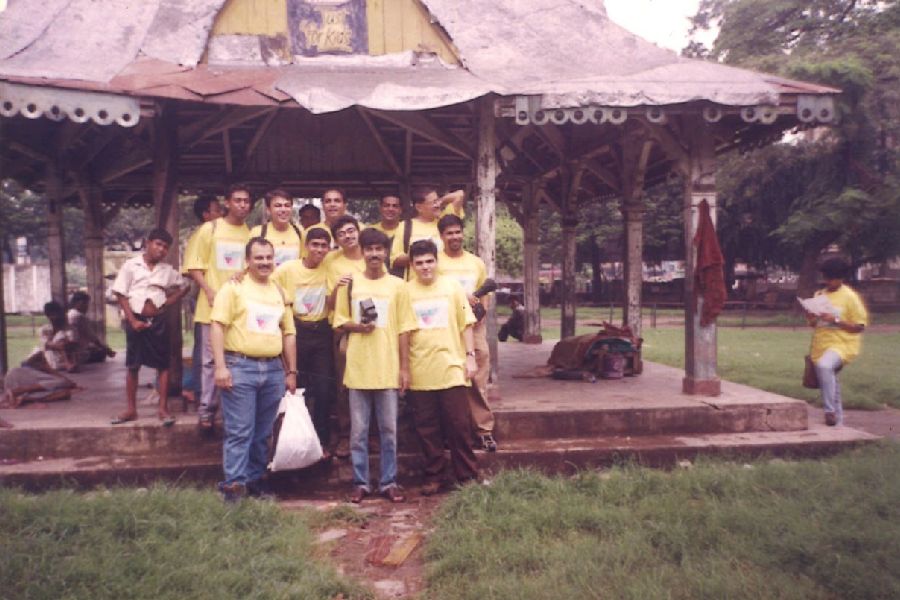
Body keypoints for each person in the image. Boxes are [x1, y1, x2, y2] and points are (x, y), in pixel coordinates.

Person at [211, 237, 297, 503]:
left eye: (268, 257)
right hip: (240, 367)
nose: (264, 262)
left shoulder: (279, 292)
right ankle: (233, 490)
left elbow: (289, 333)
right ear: (247, 261)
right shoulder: (233, 289)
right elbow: (217, 326)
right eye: (258, 258)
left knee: (263, 434)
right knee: (240, 432)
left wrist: (291, 371)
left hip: (272, 370)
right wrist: (220, 367)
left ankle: (256, 482)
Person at [398, 239, 479, 495]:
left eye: (429, 261)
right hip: (420, 369)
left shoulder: (452, 287)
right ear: (411, 265)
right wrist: (404, 369)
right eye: (419, 263)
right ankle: (434, 476)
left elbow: (467, 323)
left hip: (452, 367)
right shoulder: (405, 292)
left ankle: (467, 475)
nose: (425, 267)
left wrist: (470, 356)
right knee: (426, 428)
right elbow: (403, 333)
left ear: (437, 261)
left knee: (459, 425)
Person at [333, 228, 405, 503]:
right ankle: (360, 483)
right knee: (358, 433)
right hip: (358, 369)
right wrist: (358, 327)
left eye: (379, 249)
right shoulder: (351, 284)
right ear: (362, 252)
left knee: (389, 432)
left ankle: (389, 482)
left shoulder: (398, 286)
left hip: (388, 369)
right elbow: (339, 322)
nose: (374, 254)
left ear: (386, 252)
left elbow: (404, 330)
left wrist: (404, 368)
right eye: (369, 249)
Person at [185, 183, 253, 434]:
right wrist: (209, 290)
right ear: (227, 202)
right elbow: (194, 266)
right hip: (210, 308)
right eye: (237, 200)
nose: (242, 205)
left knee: (234, 359)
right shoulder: (209, 229)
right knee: (209, 361)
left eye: (246, 201)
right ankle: (206, 410)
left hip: (240, 311)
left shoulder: (250, 233)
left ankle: (230, 412)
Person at [110, 228, 190, 426]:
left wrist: (167, 302)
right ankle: (131, 409)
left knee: (162, 365)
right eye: (158, 244)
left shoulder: (167, 271)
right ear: (148, 243)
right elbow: (120, 293)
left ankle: (162, 409)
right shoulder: (131, 266)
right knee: (133, 365)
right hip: (135, 320)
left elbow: (184, 286)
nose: (161, 250)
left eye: (165, 247)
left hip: (158, 322)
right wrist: (132, 320)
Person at [272, 227, 335, 458]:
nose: (319, 250)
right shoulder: (288, 269)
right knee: (295, 387)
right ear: (306, 246)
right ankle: (292, 444)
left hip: (321, 332)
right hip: (296, 330)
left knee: (324, 389)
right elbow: (268, 282)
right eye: (315, 245)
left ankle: (321, 442)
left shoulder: (330, 268)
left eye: (323, 246)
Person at [436, 214, 497, 452]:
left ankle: (483, 430)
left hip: (475, 328)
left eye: (457, 232)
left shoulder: (476, 263)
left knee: (478, 379)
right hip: (446, 330)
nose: (454, 237)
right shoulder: (435, 262)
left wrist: (478, 315)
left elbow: (485, 297)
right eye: (449, 233)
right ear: (441, 236)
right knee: (449, 383)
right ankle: (452, 433)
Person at [803, 257, 868, 427]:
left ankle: (829, 410)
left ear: (841, 277)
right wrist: (811, 317)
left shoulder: (850, 297)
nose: (828, 282)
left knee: (825, 367)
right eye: (825, 278)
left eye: (831, 278)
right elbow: (814, 324)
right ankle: (838, 423)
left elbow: (859, 327)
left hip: (843, 344)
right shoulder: (819, 295)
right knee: (830, 379)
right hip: (821, 344)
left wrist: (836, 320)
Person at [323, 215, 368, 458]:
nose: (348, 236)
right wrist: (338, 287)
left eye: (351, 231)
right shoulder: (333, 262)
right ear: (337, 240)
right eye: (342, 234)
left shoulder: (372, 254)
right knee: (345, 383)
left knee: (374, 381)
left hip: (373, 329)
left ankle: (372, 435)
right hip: (344, 329)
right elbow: (329, 304)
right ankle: (345, 433)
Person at [183, 194, 223, 406]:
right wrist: (209, 288)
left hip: (222, 300)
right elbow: (191, 268)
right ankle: (202, 397)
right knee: (206, 354)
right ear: (206, 214)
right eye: (217, 209)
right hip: (204, 298)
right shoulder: (203, 233)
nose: (221, 213)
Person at [390, 186, 465, 278]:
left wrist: (440, 201)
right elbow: (395, 260)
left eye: (437, 201)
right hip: (415, 285)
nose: (437, 205)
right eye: (433, 203)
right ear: (419, 207)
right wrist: (421, 252)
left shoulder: (445, 221)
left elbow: (459, 195)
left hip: (445, 282)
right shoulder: (405, 226)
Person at [250, 189, 302, 268]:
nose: (283, 210)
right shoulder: (258, 232)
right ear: (268, 210)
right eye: (278, 206)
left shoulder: (300, 232)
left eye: (287, 205)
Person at [67, 291, 116, 365]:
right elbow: (92, 337)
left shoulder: (68, 314)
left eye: (87, 304)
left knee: (94, 347)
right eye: (83, 303)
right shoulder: (80, 316)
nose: (86, 306)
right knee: (101, 352)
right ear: (76, 303)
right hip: (78, 352)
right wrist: (106, 350)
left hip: (72, 348)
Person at [38, 301, 77, 372]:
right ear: (47, 316)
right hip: (51, 359)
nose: (55, 317)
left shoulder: (69, 328)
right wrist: (59, 345)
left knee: (61, 335)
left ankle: (68, 364)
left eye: (57, 314)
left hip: (66, 359)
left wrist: (60, 345)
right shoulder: (44, 329)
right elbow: (46, 344)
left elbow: (72, 345)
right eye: (51, 315)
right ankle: (67, 364)